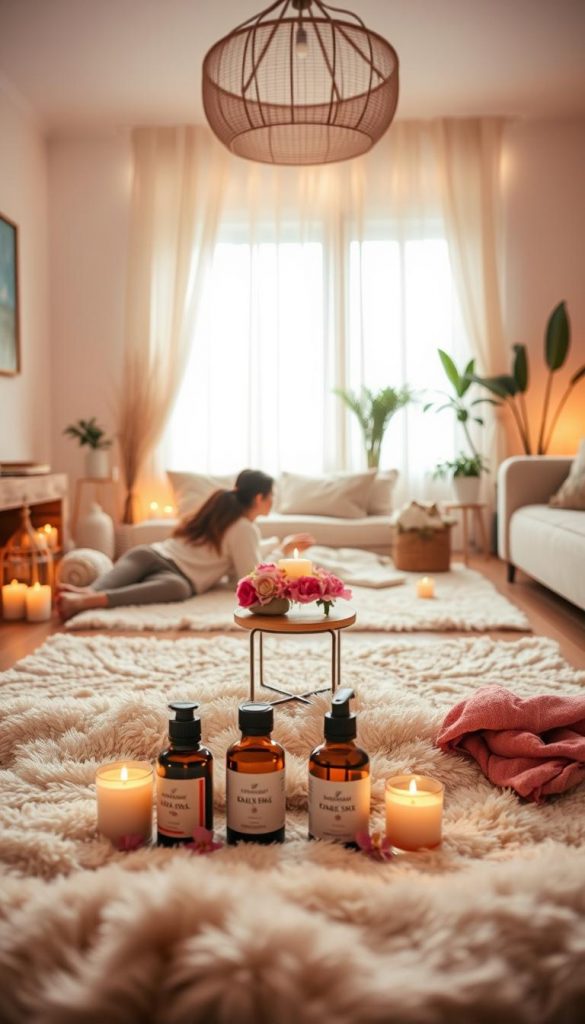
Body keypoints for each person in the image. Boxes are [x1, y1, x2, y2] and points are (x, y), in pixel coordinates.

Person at [57, 469, 314, 621]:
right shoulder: (244, 528)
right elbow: (248, 574)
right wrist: (282, 551)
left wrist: (280, 545)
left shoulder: (223, 515)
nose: (272, 501)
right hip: (178, 576)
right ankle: (90, 599)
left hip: (149, 554)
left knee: (111, 583)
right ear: (260, 498)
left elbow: (246, 552)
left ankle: (85, 593)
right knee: (179, 589)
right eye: (271, 496)